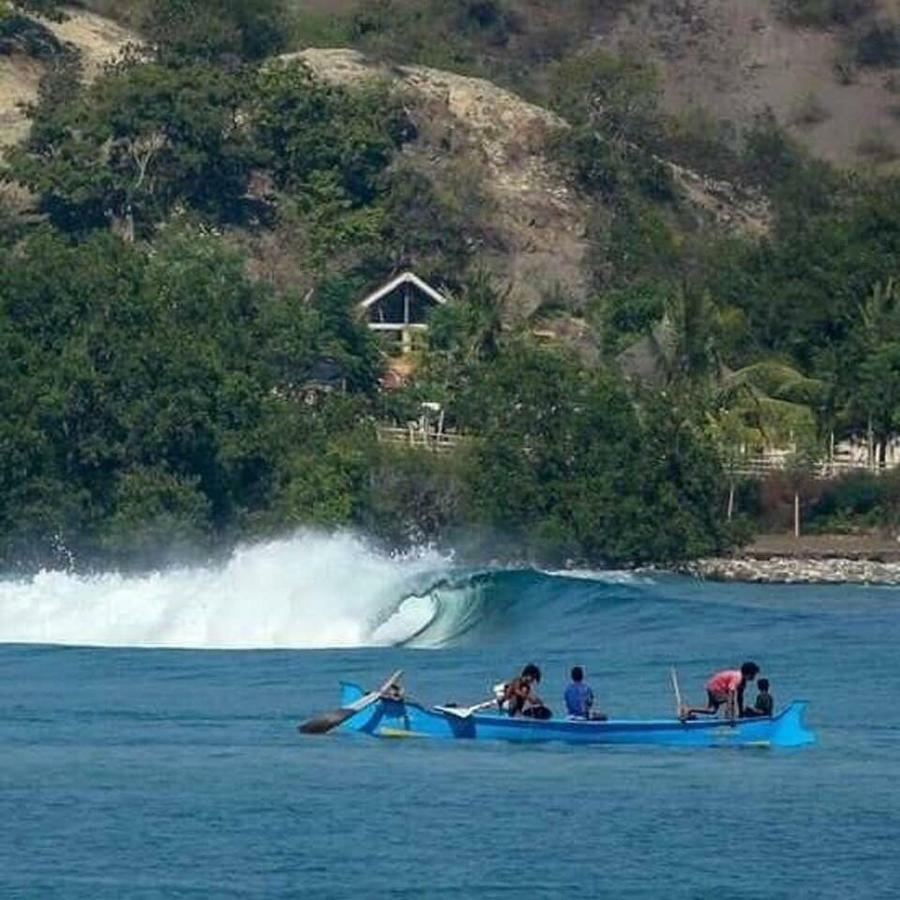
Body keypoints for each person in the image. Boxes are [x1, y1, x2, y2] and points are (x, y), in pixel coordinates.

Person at [681, 661, 760, 719]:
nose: (754, 677)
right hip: (716, 687)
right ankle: (728, 715)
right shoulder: (738, 678)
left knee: (712, 710)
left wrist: (741, 714)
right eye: (753, 675)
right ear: (748, 674)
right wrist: (730, 714)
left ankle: (690, 709)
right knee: (729, 699)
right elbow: (731, 692)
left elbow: (740, 698)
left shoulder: (743, 682)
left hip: (713, 686)